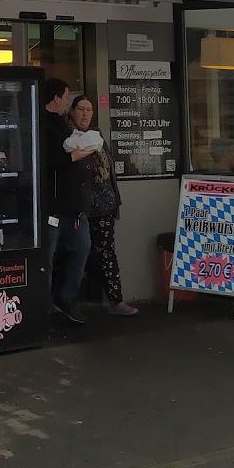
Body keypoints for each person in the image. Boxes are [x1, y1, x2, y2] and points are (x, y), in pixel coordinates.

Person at [70, 94, 138, 316]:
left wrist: (115, 199)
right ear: (72, 111)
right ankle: (68, 302)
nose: (85, 114)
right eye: (81, 109)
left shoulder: (97, 136)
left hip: (105, 205)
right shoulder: (69, 138)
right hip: (79, 207)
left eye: (89, 110)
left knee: (107, 252)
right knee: (76, 252)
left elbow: (109, 171)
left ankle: (115, 300)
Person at [42, 77, 91, 327]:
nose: (69, 101)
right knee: (47, 260)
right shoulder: (42, 124)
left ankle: (65, 299)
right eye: (67, 96)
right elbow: (47, 162)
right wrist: (73, 156)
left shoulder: (63, 124)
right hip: (52, 206)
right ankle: (44, 308)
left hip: (74, 206)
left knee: (81, 250)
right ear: (57, 97)